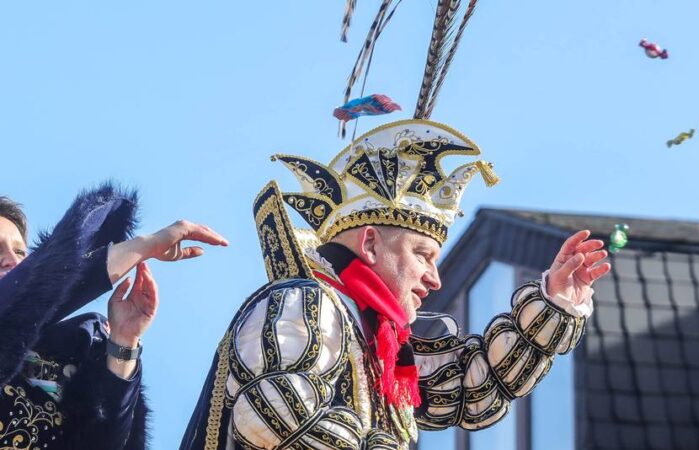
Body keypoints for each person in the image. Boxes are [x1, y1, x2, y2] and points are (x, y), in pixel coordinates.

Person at [182, 119, 611, 450]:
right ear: (369, 243)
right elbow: (275, 414)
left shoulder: (375, 341)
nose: (435, 278)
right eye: (423, 255)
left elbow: (472, 389)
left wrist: (553, 303)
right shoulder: (305, 302)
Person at [0, 184, 227, 450]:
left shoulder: (78, 346)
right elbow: (22, 296)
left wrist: (122, 343)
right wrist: (143, 246)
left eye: (20, 252)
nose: (12, 262)